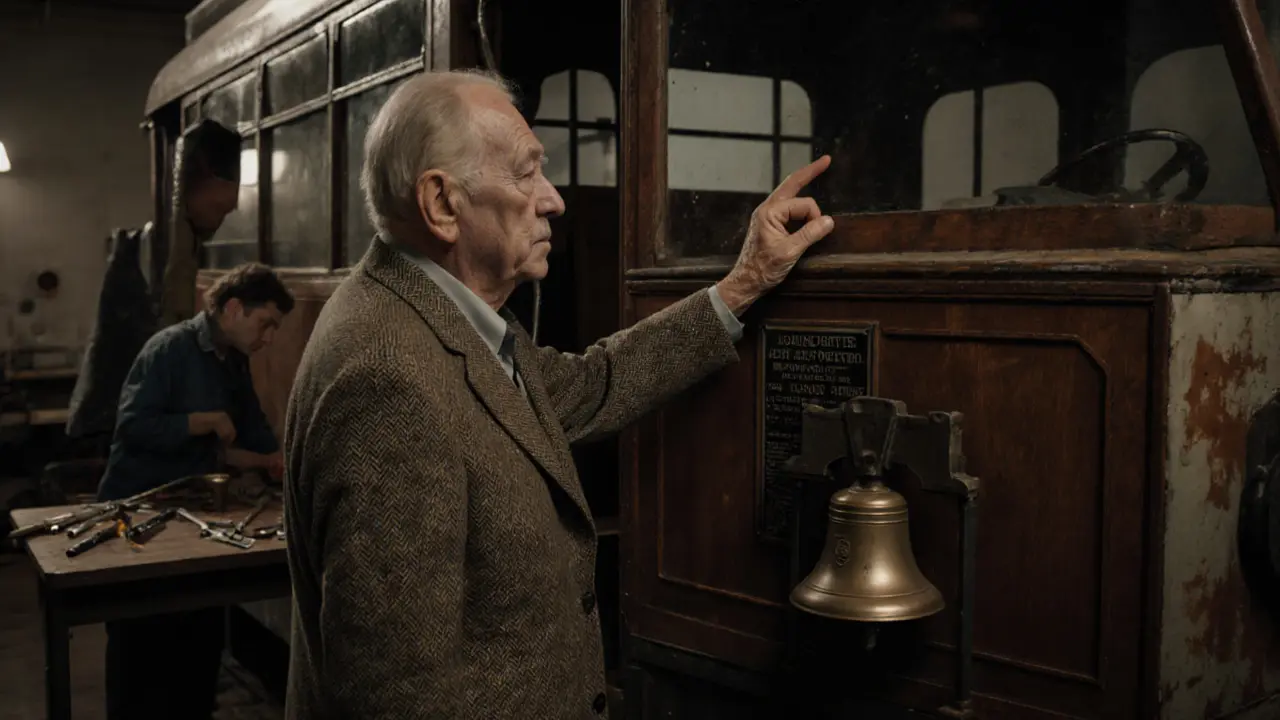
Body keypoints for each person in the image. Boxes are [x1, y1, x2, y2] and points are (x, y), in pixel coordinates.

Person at [282, 69, 834, 719]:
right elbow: (398, 698)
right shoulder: (389, 382)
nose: (554, 200)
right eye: (526, 173)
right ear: (440, 204)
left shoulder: (443, 317)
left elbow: (590, 383)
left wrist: (743, 284)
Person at [98, 262, 294, 720]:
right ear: (232, 307)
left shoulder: (234, 362)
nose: (268, 338)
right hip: (140, 509)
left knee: (197, 639)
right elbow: (132, 427)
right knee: (139, 648)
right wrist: (199, 421)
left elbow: (253, 431)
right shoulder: (169, 349)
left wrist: (278, 461)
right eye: (265, 324)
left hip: (194, 516)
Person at [66, 119, 242, 444]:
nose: (219, 220)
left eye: (227, 212)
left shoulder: (185, 245)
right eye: (217, 207)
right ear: (191, 185)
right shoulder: (152, 251)